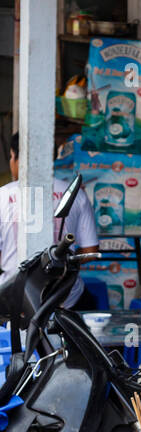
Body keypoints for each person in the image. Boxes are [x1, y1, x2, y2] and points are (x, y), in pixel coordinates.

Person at [0, 132, 99, 309]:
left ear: (15, 157)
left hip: (15, 296)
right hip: (66, 297)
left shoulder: (3, 196)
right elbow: (90, 250)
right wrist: (62, 261)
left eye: (10, 157)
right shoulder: (75, 194)